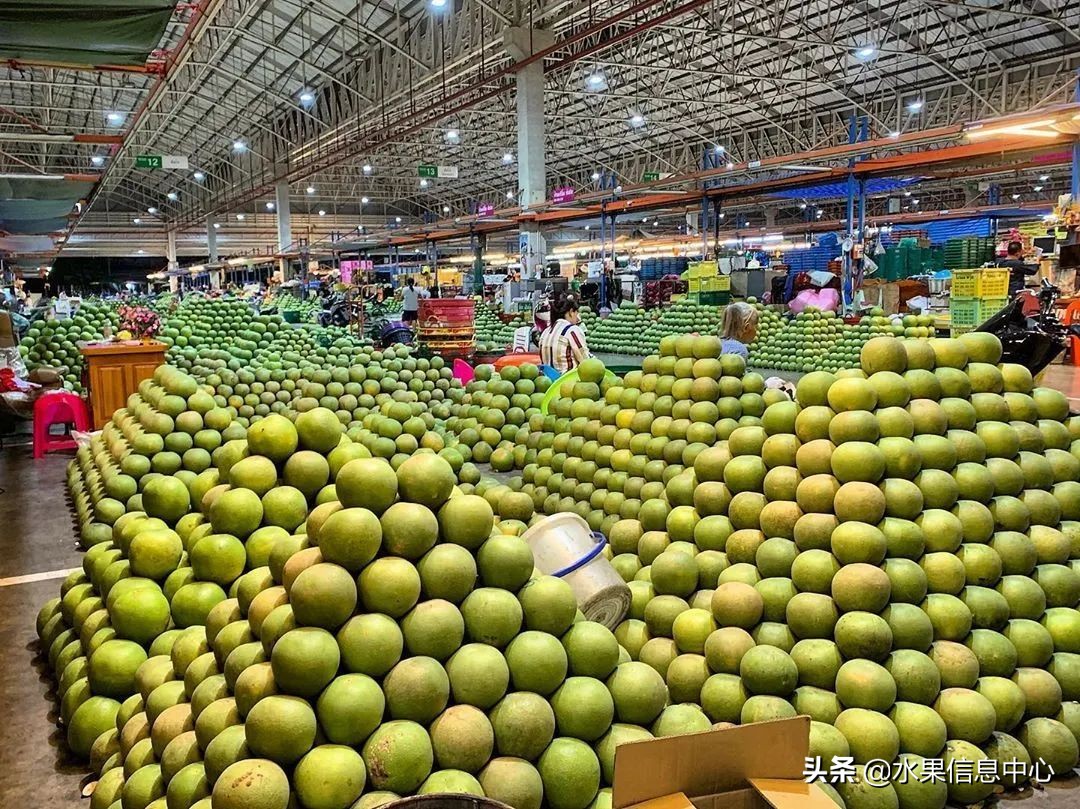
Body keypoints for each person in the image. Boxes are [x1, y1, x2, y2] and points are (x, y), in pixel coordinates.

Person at [540, 293, 590, 373]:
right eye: (577, 313)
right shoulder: (571, 330)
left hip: (548, 381)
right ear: (571, 312)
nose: (577, 318)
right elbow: (586, 361)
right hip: (568, 381)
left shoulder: (546, 332)